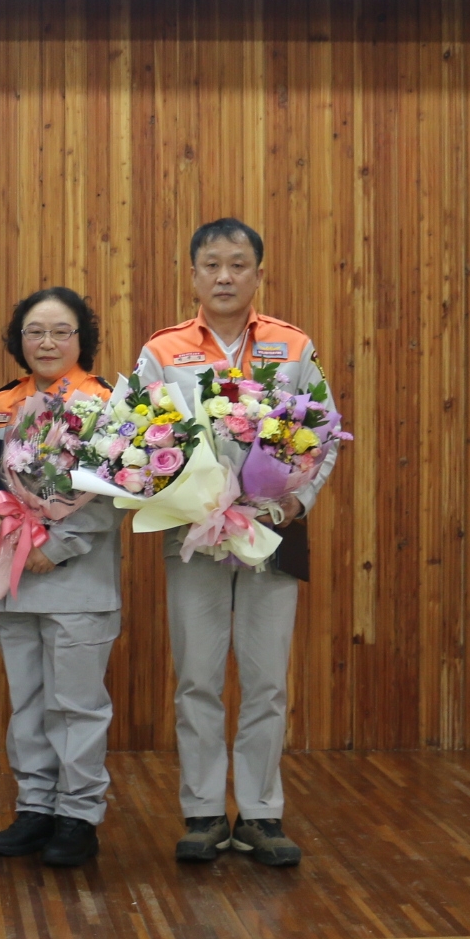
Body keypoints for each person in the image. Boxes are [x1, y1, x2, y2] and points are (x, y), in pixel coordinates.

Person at [136, 217, 338, 868]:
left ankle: (260, 813)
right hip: (194, 535)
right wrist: (174, 491)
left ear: (258, 273)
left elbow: (324, 433)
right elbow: (135, 436)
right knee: (197, 677)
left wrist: (299, 500)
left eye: (238, 265)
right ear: (193, 275)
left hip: (271, 531)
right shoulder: (163, 351)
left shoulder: (291, 345)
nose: (225, 277)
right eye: (212, 266)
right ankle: (202, 811)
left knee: (266, 679)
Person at [0, 288, 122, 867]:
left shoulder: (106, 404)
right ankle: (35, 807)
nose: (47, 342)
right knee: (27, 702)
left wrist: (58, 543)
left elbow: (120, 490)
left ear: (83, 339)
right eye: (35, 331)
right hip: (14, 577)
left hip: (78, 581)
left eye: (60, 331)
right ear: (18, 340)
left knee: (76, 705)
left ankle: (78, 815)